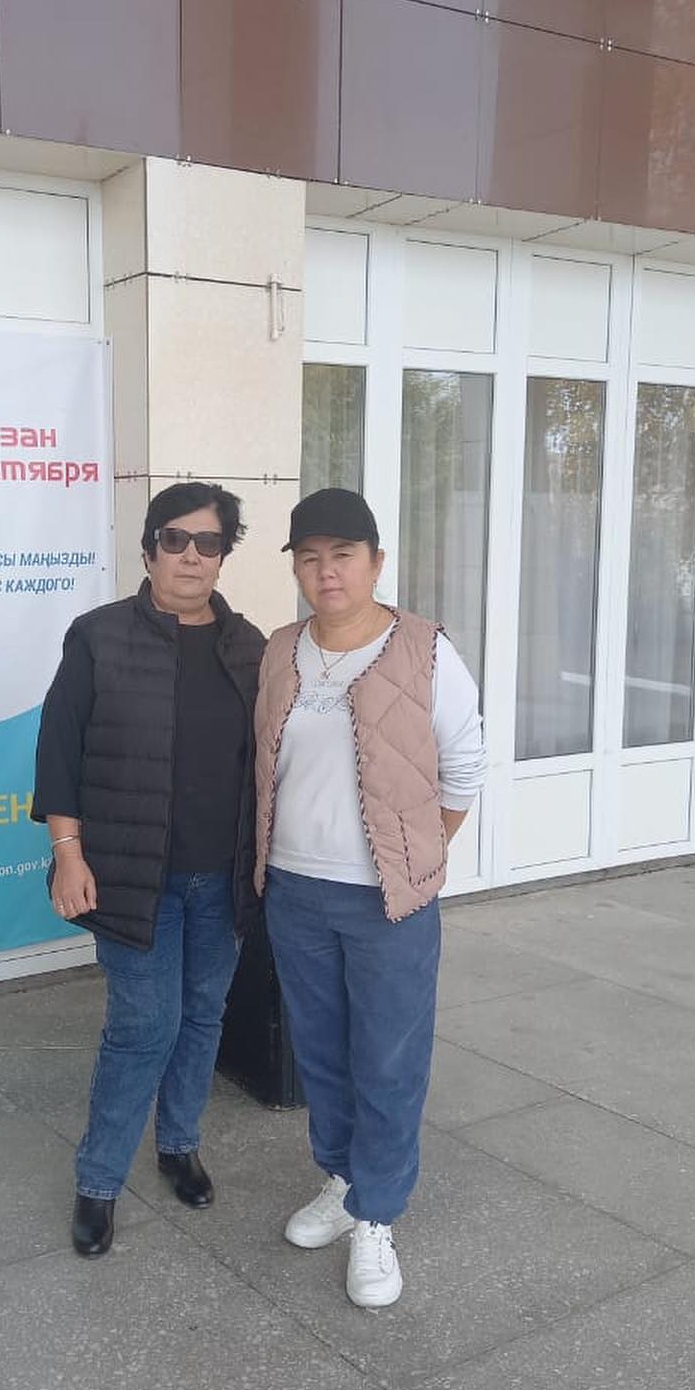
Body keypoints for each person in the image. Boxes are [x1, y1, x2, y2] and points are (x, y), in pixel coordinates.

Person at [255, 487, 485, 1309]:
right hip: (294, 889)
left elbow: (464, 768)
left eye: (343, 556)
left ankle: (378, 1216)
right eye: (310, 558)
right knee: (321, 1052)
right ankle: (344, 1181)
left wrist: (418, 858)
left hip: (387, 900)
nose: (327, 573)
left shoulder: (424, 650)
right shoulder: (280, 650)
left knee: (388, 1059)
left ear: (376, 562)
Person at [33, 482, 266, 1259]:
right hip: (135, 878)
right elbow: (58, 751)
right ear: (148, 550)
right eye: (175, 539)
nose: (191, 556)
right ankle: (99, 1181)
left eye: (208, 543)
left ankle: (178, 1146)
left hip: (222, 878)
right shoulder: (99, 636)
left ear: (223, 556)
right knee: (144, 1027)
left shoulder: (249, 647)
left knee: (202, 1016)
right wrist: (68, 853)